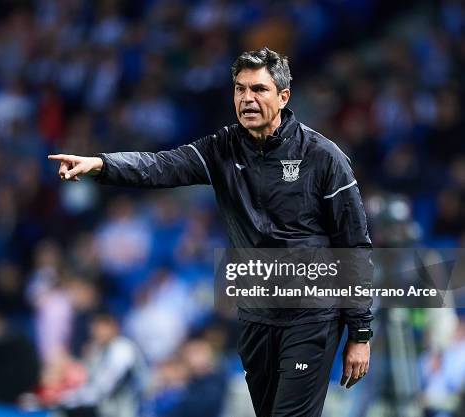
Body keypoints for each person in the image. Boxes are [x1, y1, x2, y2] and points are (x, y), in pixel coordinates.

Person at [49, 47, 374, 417]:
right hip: (256, 316)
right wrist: (102, 165)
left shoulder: (324, 157)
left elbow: (355, 246)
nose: (247, 99)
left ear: (284, 96)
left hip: (311, 314)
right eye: (239, 89)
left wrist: (360, 334)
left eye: (259, 90)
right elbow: (160, 166)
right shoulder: (223, 147)